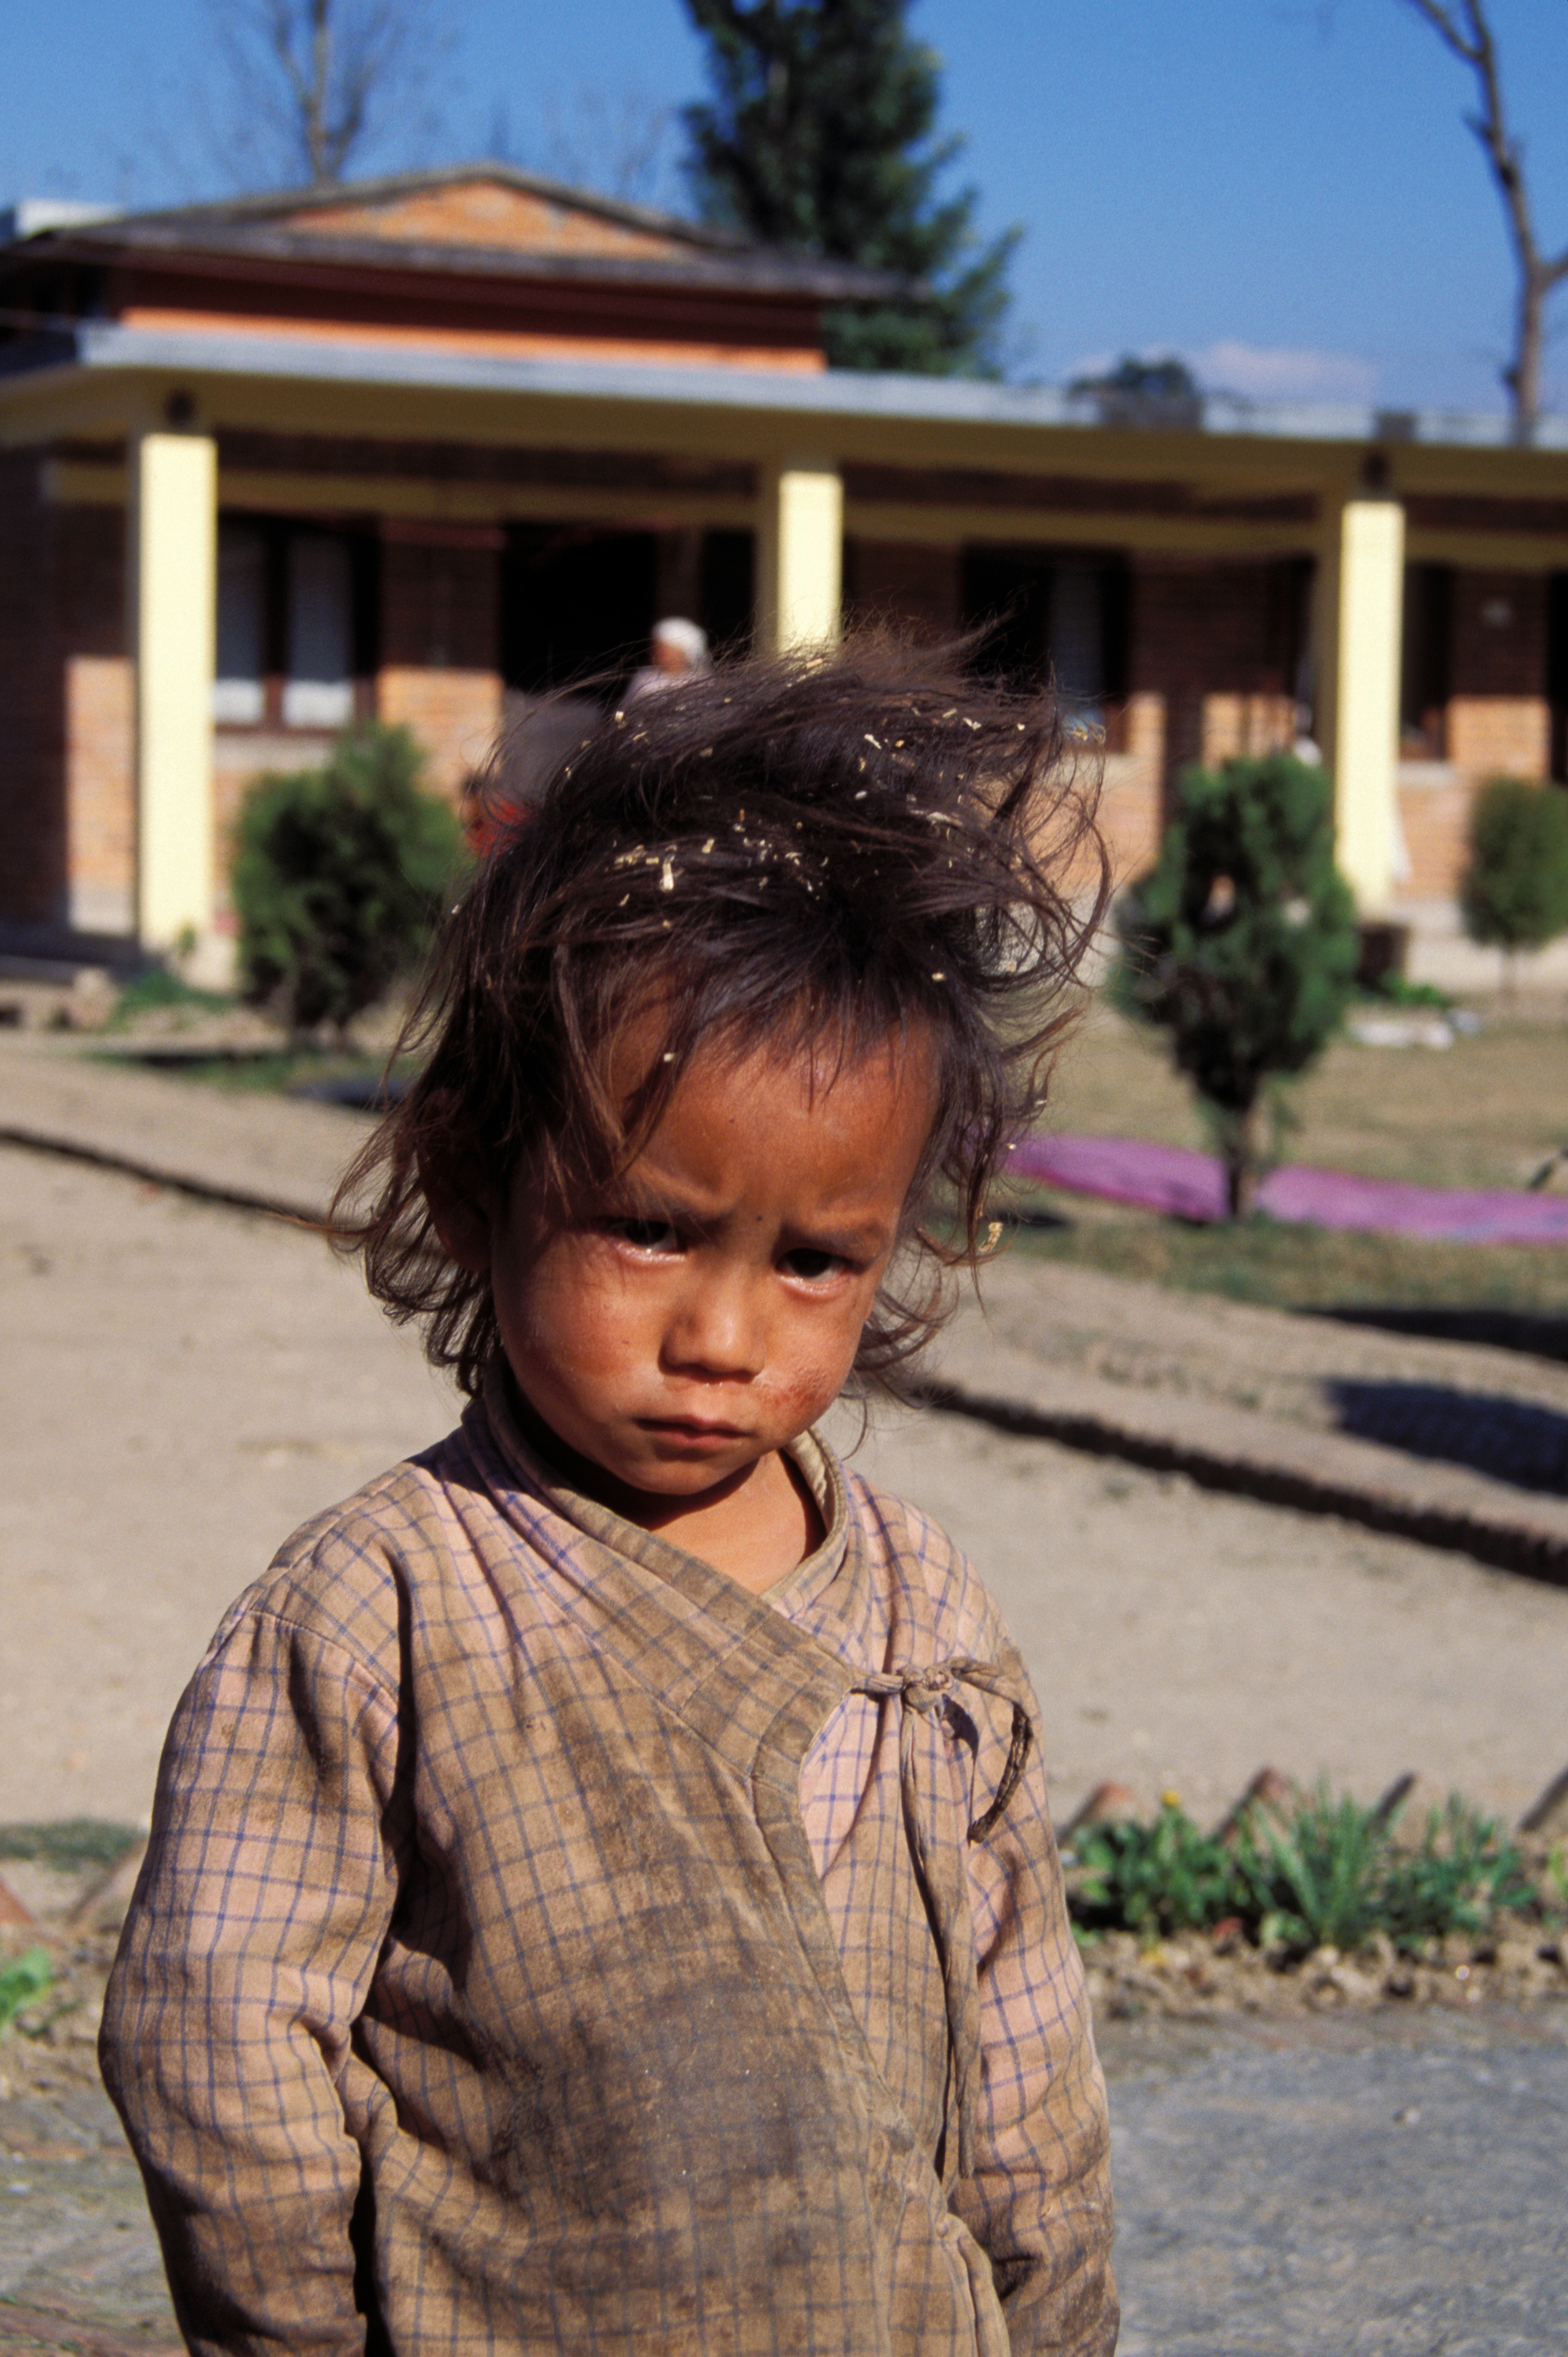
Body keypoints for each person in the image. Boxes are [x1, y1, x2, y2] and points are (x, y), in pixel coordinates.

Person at [100, 642, 1119, 2356]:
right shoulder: (380, 1613)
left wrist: (1056, 2324)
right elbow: (221, 2040)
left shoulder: (924, 1621)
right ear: (475, 1180)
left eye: (814, 1261)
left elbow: (1027, 2075)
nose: (721, 1337)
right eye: (650, 1229)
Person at [626, 612, 710, 702]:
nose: (657, 653)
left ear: (682, 652)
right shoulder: (644, 679)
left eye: (665, 650)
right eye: (656, 648)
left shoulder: (702, 681)